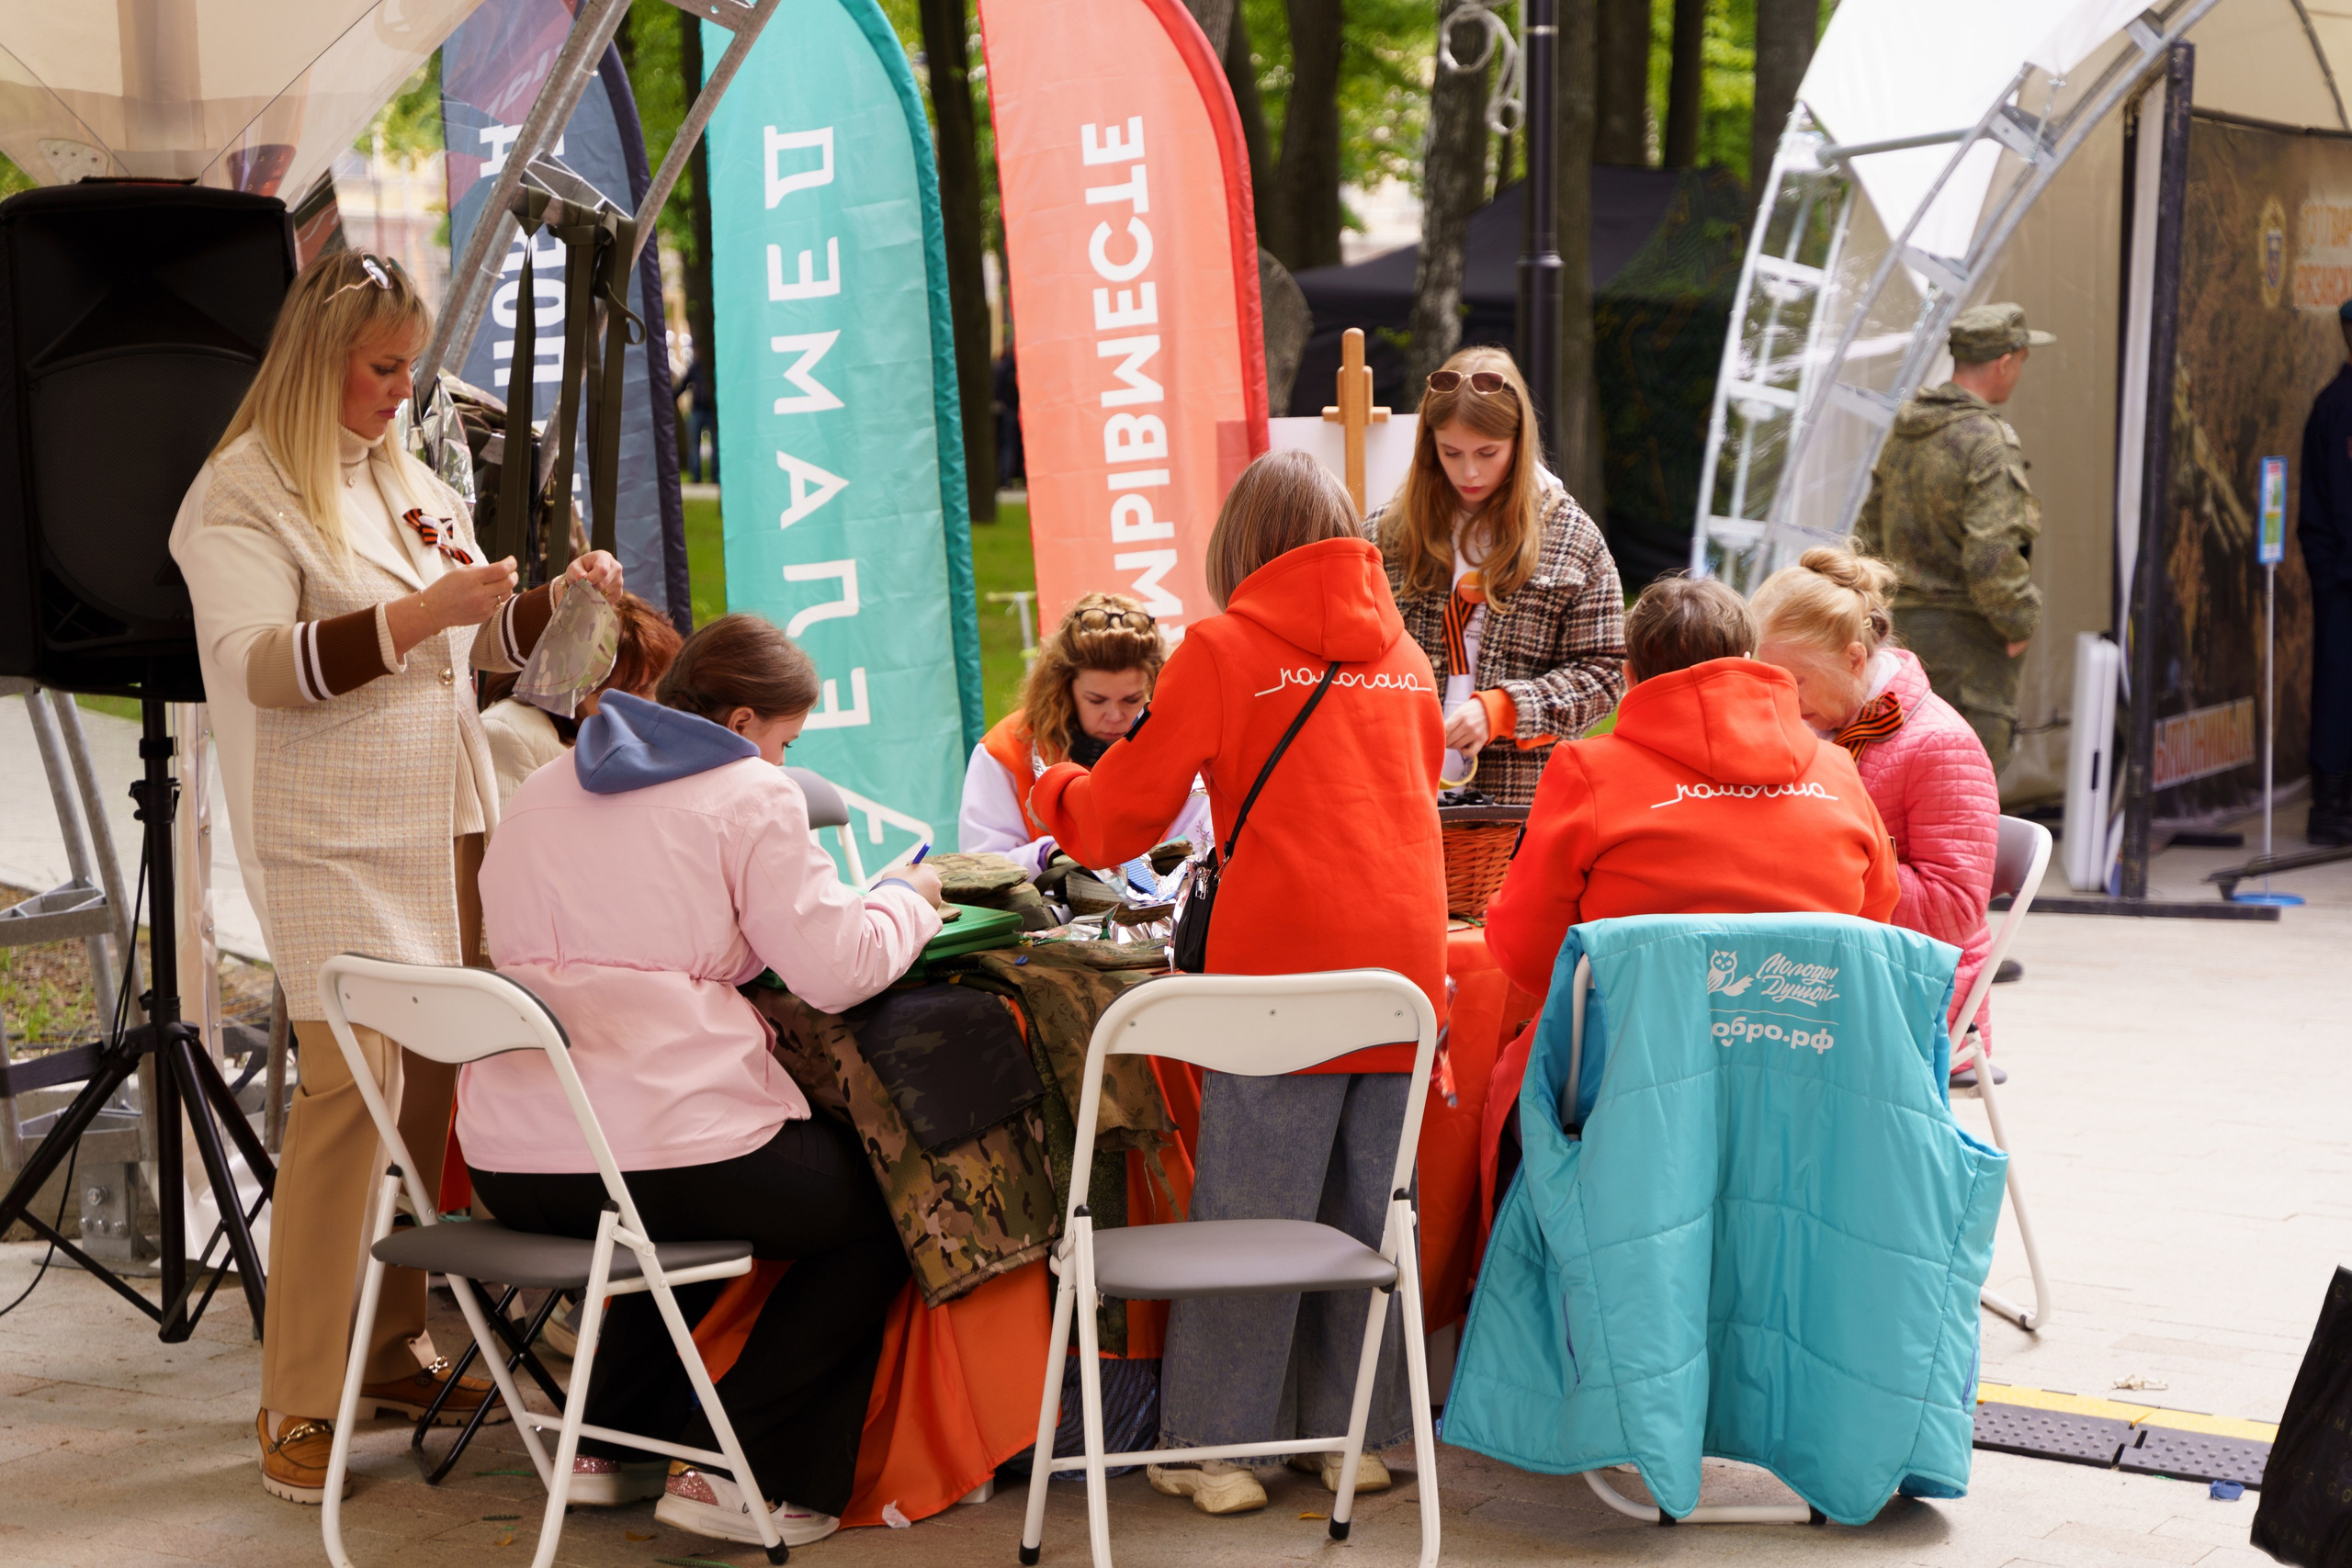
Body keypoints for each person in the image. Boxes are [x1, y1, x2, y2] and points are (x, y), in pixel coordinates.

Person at [168, 249, 625, 1506]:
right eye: (383, 365)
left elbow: (482, 649)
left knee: (432, 1080)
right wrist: (428, 618)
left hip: (442, 812)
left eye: (410, 363)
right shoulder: (239, 495)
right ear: (320, 358)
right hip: (325, 832)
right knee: (348, 1096)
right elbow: (260, 665)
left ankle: (394, 1346)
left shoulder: (409, 475)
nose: (402, 385)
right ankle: (297, 1390)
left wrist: (550, 608)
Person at [467, 613, 944, 1547]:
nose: (782, 760)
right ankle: (744, 1468)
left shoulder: (542, 788)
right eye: (784, 741)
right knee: (888, 1205)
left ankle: (609, 1437)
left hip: (513, 1162)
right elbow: (839, 970)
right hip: (660, 1146)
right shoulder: (747, 792)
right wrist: (902, 899)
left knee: (688, 1195)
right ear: (740, 719)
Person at [1033, 449, 1446, 1517]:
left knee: (1250, 1210)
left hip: (1285, 970)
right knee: (1366, 1215)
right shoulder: (1404, 651)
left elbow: (1122, 813)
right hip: (1404, 974)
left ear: (1241, 544)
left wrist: (1054, 785)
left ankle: (1216, 1444)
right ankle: (1353, 1436)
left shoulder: (1223, 647)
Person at [1475, 576, 1901, 1225]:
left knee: (1509, 1085)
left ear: (1629, 675)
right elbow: (1874, 931)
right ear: (1753, 664)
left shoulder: (1587, 772)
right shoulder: (1839, 771)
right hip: (1804, 1093)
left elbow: (1527, 960)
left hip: (1627, 1099)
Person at [1753, 547, 2004, 1082]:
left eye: (1794, 682)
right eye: (1767, 683)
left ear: (1853, 658)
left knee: (1739, 1042)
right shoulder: (1816, 725)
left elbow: (1956, 909)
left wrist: (1827, 863)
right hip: (1838, 966)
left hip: (1922, 985)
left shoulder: (1940, 743)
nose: (1782, 703)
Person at [1367, 345, 1626, 805]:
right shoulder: (1387, 535)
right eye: (1451, 452)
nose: (1469, 472)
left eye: (1488, 452)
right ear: (1430, 447)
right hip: (1398, 793)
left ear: (1520, 441)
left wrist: (1504, 710)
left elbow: (1606, 675)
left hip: (1518, 805)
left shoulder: (1573, 539)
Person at [1852, 301, 2056, 773]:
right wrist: (2018, 622)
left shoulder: (1906, 431)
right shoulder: (1987, 439)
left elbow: (1865, 537)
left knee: (1897, 785)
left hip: (1900, 642)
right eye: (2021, 362)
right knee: (1966, 793)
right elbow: (1991, 554)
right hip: (1969, 651)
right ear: (2005, 362)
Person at [959, 592, 1210, 878]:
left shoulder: (1182, 746)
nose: (1115, 716)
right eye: (1096, 700)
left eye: (1131, 700)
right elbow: (981, 869)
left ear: (1154, 688)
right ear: (1063, 688)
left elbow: (1202, 847)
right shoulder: (1005, 749)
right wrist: (1050, 853)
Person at [481, 590, 684, 814]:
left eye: (645, 690)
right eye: (612, 695)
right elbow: (507, 843)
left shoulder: (666, 735)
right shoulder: (511, 733)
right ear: (568, 684)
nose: (632, 708)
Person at [2296, 301, 2352, 846]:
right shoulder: (2337, 407)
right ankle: (2331, 804)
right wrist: (2331, 572)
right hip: (2343, 580)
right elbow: (2331, 504)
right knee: (2339, 689)